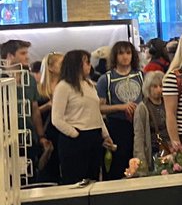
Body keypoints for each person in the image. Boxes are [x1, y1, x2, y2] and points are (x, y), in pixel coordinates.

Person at [53, 50, 114, 184]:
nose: (89, 66)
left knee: (93, 178)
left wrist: (105, 134)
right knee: (75, 180)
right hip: (75, 138)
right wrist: (75, 134)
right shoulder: (63, 87)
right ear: (77, 65)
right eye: (86, 63)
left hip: (94, 135)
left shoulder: (90, 84)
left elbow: (95, 112)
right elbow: (56, 118)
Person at [1, 40, 51, 174]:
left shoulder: (29, 79)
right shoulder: (2, 79)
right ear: (10, 56)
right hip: (6, 138)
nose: (27, 57)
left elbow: (34, 110)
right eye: (22, 53)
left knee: (28, 173)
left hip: (28, 136)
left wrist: (41, 136)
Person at [96, 41, 143, 180]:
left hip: (138, 124)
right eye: (121, 53)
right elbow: (100, 108)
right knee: (118, 166)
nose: (125, 57)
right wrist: (121, 107)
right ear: (115, 56)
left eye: (128, 53)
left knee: (138, 162)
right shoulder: (106, 79)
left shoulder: (140, 75)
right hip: (117, 125)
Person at [35, 51, 63, 184]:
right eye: (61, 63)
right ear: (50, 67)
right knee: (48, 168)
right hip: (47, 132)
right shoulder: (39, 90)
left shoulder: (66, 87)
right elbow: (34, 113)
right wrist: (48, 106)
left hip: (63, 131)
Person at [133, 71, 167, 164]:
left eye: (161, 86)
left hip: (168, 150)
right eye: (155, 86)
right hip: (152, 151)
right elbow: (139, 136)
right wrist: (141, 161)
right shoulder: (142, 108)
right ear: (148, 88)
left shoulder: (167, 104)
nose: (159, 89)